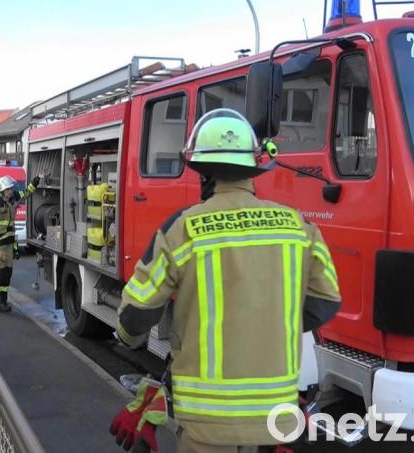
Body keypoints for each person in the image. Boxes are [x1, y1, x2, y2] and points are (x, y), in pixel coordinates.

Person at [110, 109, 341, 453]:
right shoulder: (298, 226)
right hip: (277, 420)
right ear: (253, 170)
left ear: (203, 173)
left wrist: (127, 340)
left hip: (207, 425)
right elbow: (326, 301)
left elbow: (137, 313)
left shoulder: (184, 229)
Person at [0, 174, 40, 313]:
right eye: (9, 189)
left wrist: (35, 183)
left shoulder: (13, 198)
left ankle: (3, 302)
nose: (11, 191)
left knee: (7, 274)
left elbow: (26, 193)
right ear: (2, 190)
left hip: (10, 244)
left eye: (11, 189)